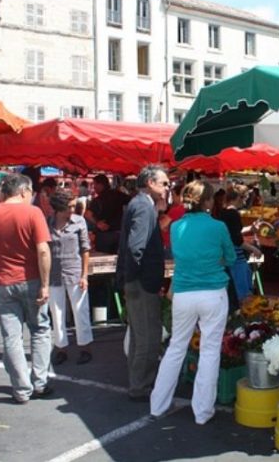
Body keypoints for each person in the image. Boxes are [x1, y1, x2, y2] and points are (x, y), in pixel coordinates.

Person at [150, 180, 236, 424]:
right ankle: (202, 411)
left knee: (176, 347)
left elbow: (179, 257)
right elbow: (230, 257)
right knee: (209, 351)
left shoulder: (176, 227)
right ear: (208, 201)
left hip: (184, 293)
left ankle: (157, 404)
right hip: (213, 293)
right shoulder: (218, 227)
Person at [0, 173, 52, 404]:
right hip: (31, 279)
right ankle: (39, 383)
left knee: (12, 337)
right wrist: (45, 284)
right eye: (30, 193)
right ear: (23, 192)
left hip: (3, 282)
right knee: (40, 330)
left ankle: (21, 389)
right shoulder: (33, 213)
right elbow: (43, 251)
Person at [115, 165, 168, 402]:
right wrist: (139, 280)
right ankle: (142, 385)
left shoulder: (142, 204)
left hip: (136, 280)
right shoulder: (143, 206)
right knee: (148, 336)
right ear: (150, 183)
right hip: (141, 282)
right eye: (164, 183)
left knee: (139, 335)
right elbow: (136, 247)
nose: (167, 187)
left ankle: (137, 382)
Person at [47, 188, 93, 366]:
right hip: (54, 274)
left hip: (74, 272)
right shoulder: (47, 222)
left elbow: (85, 249)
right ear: (58, 208)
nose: (73, 209)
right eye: (69, 206)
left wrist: (84, 275)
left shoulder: (79, 222)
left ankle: (85, 347)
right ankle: (61, 348)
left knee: (80, 311)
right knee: (56, 314)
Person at [218, 186, 262, 302]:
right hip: (236, 258)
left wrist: (249, 229)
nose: (245, 201)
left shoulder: (223, 212)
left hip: (225, 257)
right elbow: (237, 240)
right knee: (242, 294)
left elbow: (232, 233)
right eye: (244, 198)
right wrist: (253, 249)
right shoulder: (234, 214)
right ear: (238, 198)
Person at [85, 174, 129, 253]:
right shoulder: (119, 195)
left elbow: (87, 214)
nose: (94, 187)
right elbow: (132, 200)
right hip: (119, 233)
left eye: (95, 184)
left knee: (103, 260)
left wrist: (97, 223)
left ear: (100, 185)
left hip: (103, 235)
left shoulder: (98, 200)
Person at [159, 181, 186, 260]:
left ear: (179, 196)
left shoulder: (176, 210)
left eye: (173, 195)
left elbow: (162, 225)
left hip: (170, 245)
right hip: (181, 245)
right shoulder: (189, 210)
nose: (173, 198)